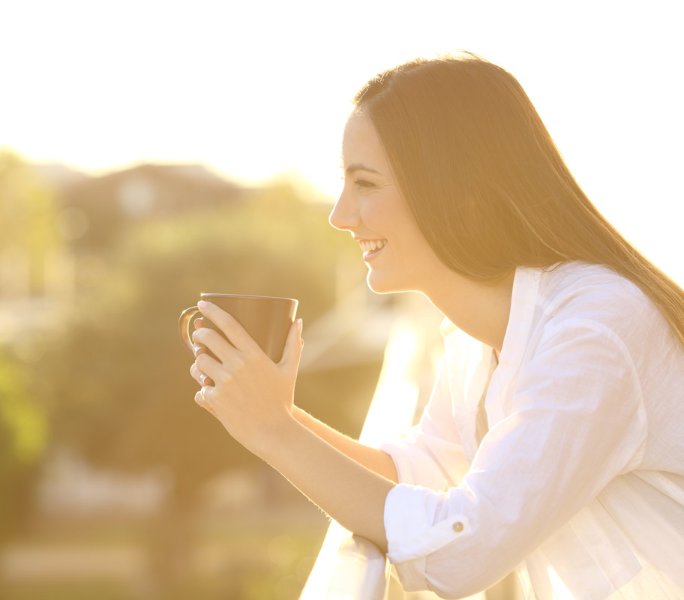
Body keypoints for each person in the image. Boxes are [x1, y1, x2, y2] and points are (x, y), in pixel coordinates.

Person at [187, 53, 684, 599]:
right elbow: (421, 471)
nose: (340, 215)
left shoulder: (595, 330)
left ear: (458, 193)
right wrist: (274, 415)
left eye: (366, 184)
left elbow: (460, 554)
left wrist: (273, 431)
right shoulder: (476, 339)